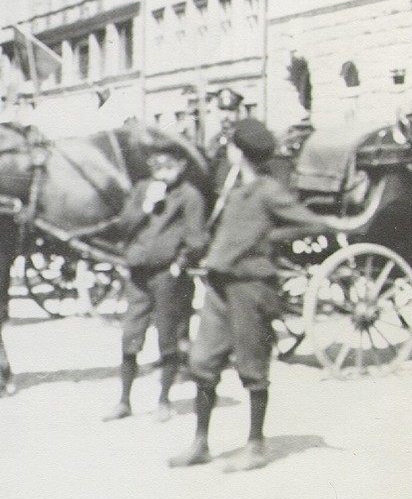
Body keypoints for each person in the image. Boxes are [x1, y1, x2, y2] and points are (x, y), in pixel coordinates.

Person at [169, 118, 357, 472]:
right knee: (202, 363)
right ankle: (200, 443)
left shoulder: (269, 190)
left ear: (238, 152)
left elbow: (313, 223)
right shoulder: (235, 190)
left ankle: (255, 446)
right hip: (220, 286)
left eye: (230, 147)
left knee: (252, 368)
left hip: (251, 288)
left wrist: (270, 238)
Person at [103, 142, 207, 423]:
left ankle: (164, 400)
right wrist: (145, 207)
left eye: (168, 166)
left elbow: (197, 240)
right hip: (138, 272)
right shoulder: (142, 189)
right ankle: (124, 400)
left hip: (167, 275)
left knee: (167, 337)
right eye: (157, 166)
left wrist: (179, 264)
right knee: (130, 334)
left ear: (181, 166)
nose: (162, 172)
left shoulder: (190, 197)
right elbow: (124, 225)